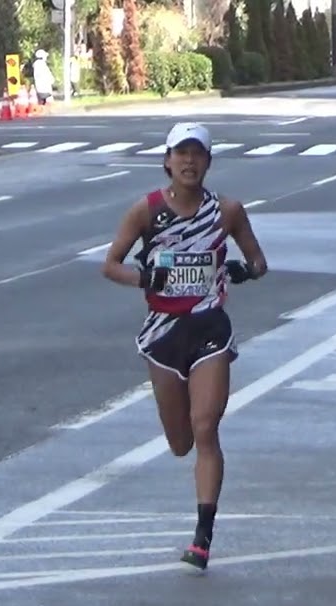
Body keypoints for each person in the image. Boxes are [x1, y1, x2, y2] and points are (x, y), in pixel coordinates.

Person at [101, 122, 268, 572]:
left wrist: (243, 270)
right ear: (167, 161)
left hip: (209, 326)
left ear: (209, 163)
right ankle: (195, 489)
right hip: (162, 334)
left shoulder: (228, 211)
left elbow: (259, 260)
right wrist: (144, 278)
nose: (189, 162)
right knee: (180, 441)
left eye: (198, 154)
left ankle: (202, 537)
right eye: (181, 154)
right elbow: (110, 264)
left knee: (206, 425)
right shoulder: (147, 211)